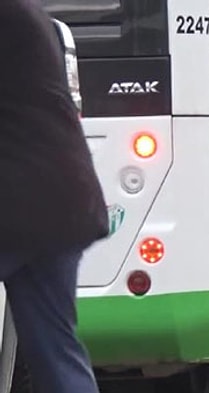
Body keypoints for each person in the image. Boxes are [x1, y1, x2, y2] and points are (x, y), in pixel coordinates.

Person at [0, 2, 108, 392]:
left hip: (21, 204)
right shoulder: (29, 15)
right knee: (55, 348)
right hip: (64, 202)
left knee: (54, 347)